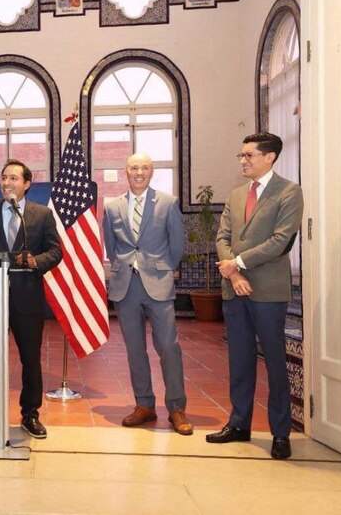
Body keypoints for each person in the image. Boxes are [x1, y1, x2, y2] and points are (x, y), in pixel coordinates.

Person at [207, 132, 303, 460]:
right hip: (234, 289)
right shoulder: (236, 195)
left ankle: (280, 433)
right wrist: (233, 273)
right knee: (240, 360)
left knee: (274, 362)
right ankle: (238, 424)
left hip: (268, 290)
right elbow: (222, 236)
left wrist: (239, 262)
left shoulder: (289, 193)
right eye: (242, 155)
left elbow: (280, 240)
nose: (243, 160)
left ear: (270, 157)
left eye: (249, 155)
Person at [0, 159, 62, 439]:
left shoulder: (41, 214)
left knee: (30, 359)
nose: (7, 183)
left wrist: (35, 261)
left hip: (27, 298)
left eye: (14, 179)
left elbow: (56, 252)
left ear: (27, 184)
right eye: (4, 178)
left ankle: (30, 414)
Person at [102, 153, 193, 435]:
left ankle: (176, 408)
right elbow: (111, 244)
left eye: (144, 168)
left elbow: (177, 245)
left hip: (158, 283)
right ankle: (144, 405)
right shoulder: (112, 206)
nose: (139, 172)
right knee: (134, 350)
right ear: (126, 171)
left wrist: (162, 268)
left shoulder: (167, 203)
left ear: (151, 172)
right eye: (133, 168)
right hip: (126, 286)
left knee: (168, 347)